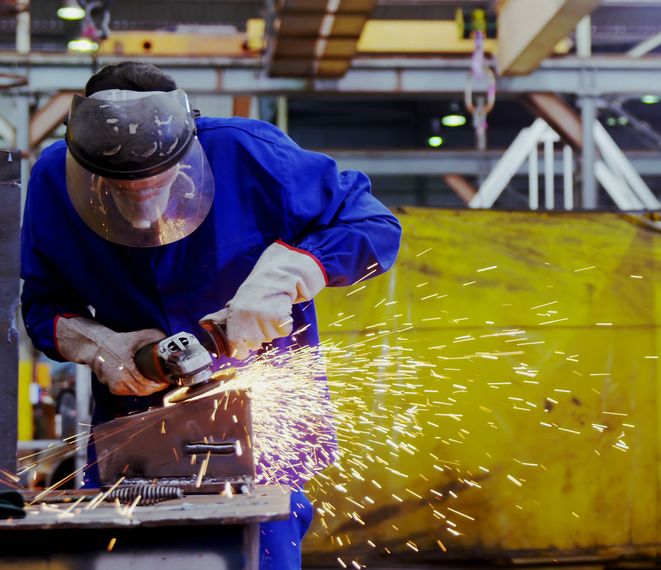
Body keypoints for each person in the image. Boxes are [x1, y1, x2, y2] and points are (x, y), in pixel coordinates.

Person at [20, 61, 402, 569]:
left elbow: (376, 227)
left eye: (154, 184)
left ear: (187, 151)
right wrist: (101, 345)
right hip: (133, 431)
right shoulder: (53, 181)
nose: (143, 210)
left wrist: (287, 273)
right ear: (88, 171)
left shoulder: (250, 154)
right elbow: (42, 305)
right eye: (123, 190)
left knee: (255, 555)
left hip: (262, 423)